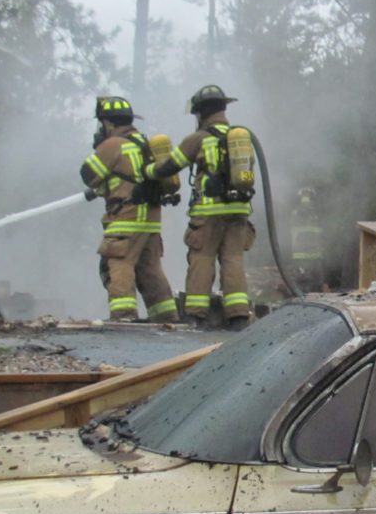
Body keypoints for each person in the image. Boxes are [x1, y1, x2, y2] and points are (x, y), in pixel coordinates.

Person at [145, 84, 255, 330]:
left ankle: (195, 315)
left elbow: (170, 166)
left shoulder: (198, 139)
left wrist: (149, 171)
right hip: (238, 210)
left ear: (202, 112)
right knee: (233, 260)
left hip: (209, 213)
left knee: (202, 259)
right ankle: (238, 316)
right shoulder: (239, 138)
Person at [80, 96, 179, 323]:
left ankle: (123, 316)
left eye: (102, 124)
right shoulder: (142, 143)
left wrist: (100, 150)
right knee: (150, 268)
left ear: (109, 123)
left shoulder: (113, 145)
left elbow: (88, 175)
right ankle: (165, 317)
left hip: (126, 217)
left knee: (118, 262)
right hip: (150, 218)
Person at [290, 186, 326, 292]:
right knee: (316, 283)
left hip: (301, 255)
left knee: (303, 283)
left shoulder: (296, 212)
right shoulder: (315, 213)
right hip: (314, 256)